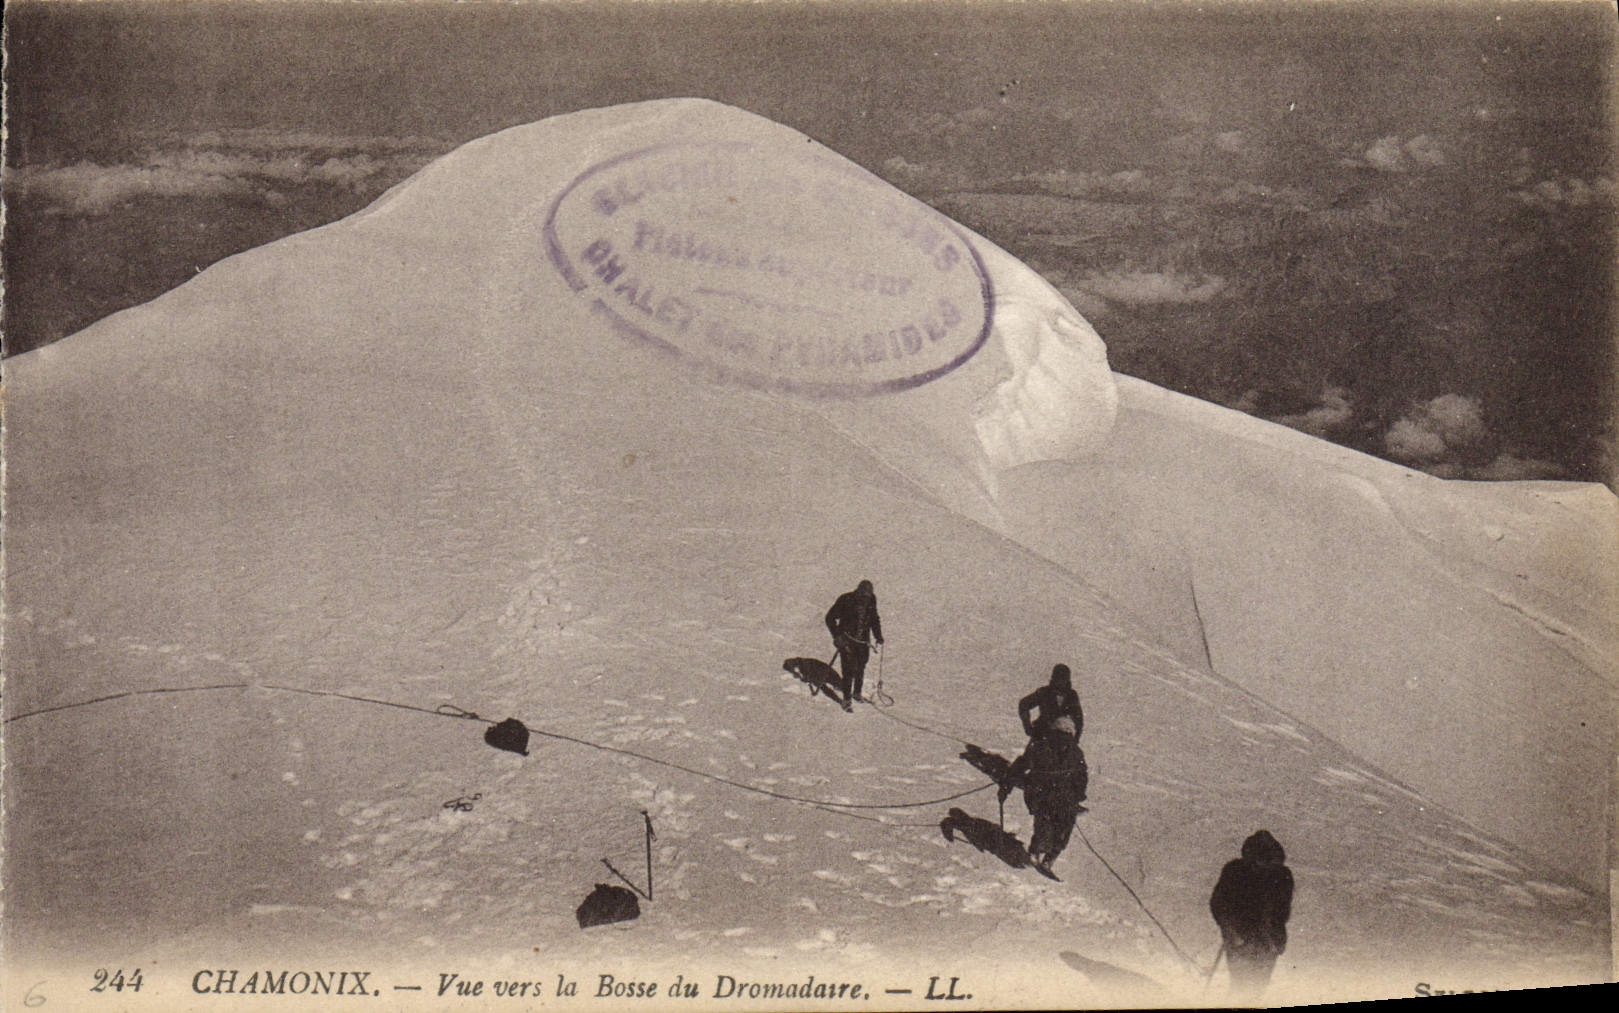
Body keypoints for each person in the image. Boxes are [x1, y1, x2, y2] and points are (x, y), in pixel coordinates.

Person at [998, 715, 1088, 876]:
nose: (1064, 738)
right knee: (1055, 828)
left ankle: (1043, 855)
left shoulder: (1069, 752)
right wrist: (1078, 796)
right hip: (1050, 796)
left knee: (1055, 826)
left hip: (1054, 796)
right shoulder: (1050, 749)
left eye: (1067, 734)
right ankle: (1042, 855)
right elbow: (1081, 776)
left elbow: (1081, 774)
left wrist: (1006, 787)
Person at [1208, 829, 1294, 998]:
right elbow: (1218, 903)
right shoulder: (1234, 870)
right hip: (1240, 938)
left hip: (1267, 941)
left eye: (1268, 861)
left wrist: (1273, 940)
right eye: (1259, 860)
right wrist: (1230, 930)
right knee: (1240, 987)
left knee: (1257, 990)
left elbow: (1282, 911)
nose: (1263, 865)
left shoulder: (1282, 875)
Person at [825, 580, 883, 711]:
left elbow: (874, 618)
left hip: (863, 641)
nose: (865, 600)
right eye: (863, 597)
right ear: (858, 593)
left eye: (868, 597)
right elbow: (829, 618)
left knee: (861, 666)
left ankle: (857, 693)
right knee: (848, 669)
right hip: (847, 640)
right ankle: (846, 699)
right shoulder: (846, 600)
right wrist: (837, 637)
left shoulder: (871, 600)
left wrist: (878, 636)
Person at [1018, 663, 1083, 739]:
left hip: (1065, 738)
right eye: (1057, 678)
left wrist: (1076, 737)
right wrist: (1028, 727)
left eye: (1063, 678)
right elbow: (1024, 704)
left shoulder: (1072, 695)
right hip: (1042, 735)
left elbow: (1078, 718)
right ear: (1053, 678)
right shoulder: (1044, 692)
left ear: (1067, 680)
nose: (1060, 682)